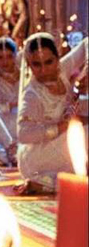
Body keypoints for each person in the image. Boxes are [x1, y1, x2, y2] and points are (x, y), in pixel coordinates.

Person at [16, 32, 88, 194]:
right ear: (29, 65)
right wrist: (61, 127)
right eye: (36, 64)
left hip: (59, 145)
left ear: (57, 58)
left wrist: (87, 70)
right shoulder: (31, 94)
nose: (44, 70)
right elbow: (23, 134)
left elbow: (87, 43)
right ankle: (44, 180)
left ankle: (45, 183)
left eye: (49, 62)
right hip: (35, 157)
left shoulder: (63, 69)